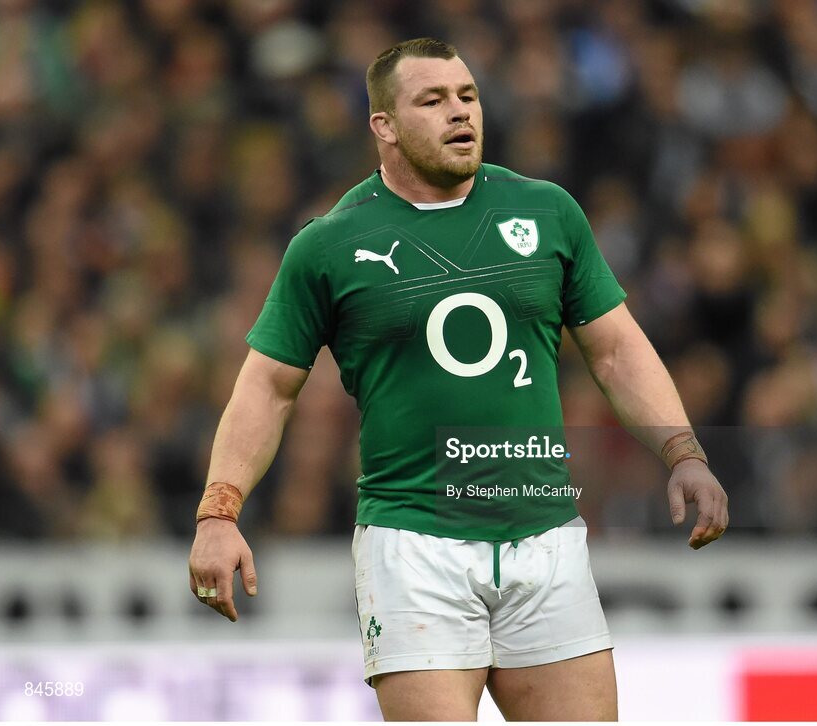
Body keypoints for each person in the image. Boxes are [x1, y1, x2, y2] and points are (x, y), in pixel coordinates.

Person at [188, 37, 728, 721]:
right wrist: (219, 512)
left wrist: (683, 452)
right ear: (383, 124)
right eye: (433, 100)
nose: (459, 112)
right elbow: (268, 388)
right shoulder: (328, 245)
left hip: (546, 539)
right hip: (415, 547)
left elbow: (618, 349)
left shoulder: (547, 211)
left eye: (467, 96)